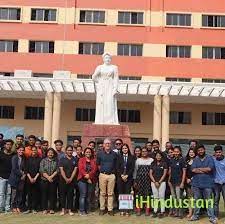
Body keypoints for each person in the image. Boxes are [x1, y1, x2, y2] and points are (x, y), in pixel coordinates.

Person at [190, 145, 217, 224]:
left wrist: (199, 169)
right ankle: (195, 216)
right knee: (197, 201)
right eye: (198, 151)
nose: (200, 152)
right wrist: (204, 170)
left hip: (208, 184)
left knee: (209, 201)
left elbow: (210, 168)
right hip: (196, 184)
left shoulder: (209, 158)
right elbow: (193, 169)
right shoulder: (196, 159)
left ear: (204, 150)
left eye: (201, 150)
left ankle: (212, 217)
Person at [92, 52, 119, 124]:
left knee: (109, 103)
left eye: (109, 58)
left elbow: (116, 78)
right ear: (103, 59)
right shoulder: (100, 67)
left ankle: (110, 121)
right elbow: (94, 77)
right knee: (101, 102)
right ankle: (100, 120)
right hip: (102, 87)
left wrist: (115, 89)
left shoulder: (114, 67)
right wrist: (99, 82)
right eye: (106, 58)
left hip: (110, 86)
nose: (108, 59)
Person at [97, 138, 117, 216]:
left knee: (110, 193)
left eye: (109, 143)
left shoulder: (114, 154)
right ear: (104, 145)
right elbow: (98, 165)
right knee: (102, 193)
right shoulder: (100, 154)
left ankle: (110, 209)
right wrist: (103, 171)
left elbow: (116, 165)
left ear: (111, 144)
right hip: (102, 175)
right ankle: (102, 209)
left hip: (111, 175)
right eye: (106, 143)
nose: (108, 145)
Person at [133, 147, 154, 216]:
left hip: (148, 180)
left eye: (145, 151)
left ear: (148, 152)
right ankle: (139, 210)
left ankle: (147, 210)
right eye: (143, 151)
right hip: (139, 180)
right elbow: (135, 171)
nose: (144, 153)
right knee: (139, 196)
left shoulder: (151, 160)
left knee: (147, 195)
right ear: (141, 152)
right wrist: (135, 181)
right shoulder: (138, 160)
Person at [77, 147, 98, 216]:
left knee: (88, 196)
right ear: (84, 153)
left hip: (91, 179)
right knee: (83, 195)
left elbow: (94, 170)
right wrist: (87, 177)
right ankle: (82, 210)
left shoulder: (93, 160)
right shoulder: (81, 159)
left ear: (91, 153)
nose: (88, 153)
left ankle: (87, 210)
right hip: (82, 179)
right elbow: (81, 169)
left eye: (89, 152)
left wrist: (89, 176)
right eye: (86, 152)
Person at [116, 144, 135, 216]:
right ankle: (122, 210)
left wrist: (127, 175)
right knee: (121, 194)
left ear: (128, 149)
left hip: (128, 178)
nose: (125, 149)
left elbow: (132, 168)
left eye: (126, 148)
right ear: (121, 150)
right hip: (120, 178)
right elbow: (117, 168)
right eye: (123, 148)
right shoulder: (118, 157)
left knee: (127, 194)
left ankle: (127, 210)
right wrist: (121, 175)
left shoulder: (132, 157)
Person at [168, 145, 186, 218]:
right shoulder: (171, 160)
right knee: (174, 198)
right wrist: (169, 180)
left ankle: (180, 213)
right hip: (172, 181)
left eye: (177, 152)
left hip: (179, 182)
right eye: (175, 152)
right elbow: (170, 171)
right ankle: (176, 212)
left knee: (179, 198)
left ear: (180, 152)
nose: (176, 153)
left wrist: (182, 182)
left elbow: (184, 172)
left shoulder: (182, 160)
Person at [59, 145, 78, 216]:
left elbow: (75, 170)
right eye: (68, 150)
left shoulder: (75, 159)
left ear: (72, 151)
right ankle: (63, 210)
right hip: (62, 180)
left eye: (71, 150)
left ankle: (70, 210)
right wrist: (66, 178)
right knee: (62, 195)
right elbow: (61, 170)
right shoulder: (62, 159)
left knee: (70, 195)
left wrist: (70, 179)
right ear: (66, 151)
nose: (69, 151)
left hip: (72, 181)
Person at [39, 148, 58, 214]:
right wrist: (48, 177)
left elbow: (57, 170)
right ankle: (44, 209)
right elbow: (41, 170)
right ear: (47, 153)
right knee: (44, 195)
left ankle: (51, 209)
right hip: (44, 180)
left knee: (52, 195)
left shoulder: (56, 161)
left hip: (53, 180)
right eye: (49, 152)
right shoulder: (43, 161)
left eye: (52, 152)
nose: (50, 154)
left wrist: (51, 177)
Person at [150, 151, 168, 218]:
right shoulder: (152, 163)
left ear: (161, 156)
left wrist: (159, 182)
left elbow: (164, 174)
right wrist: (155, 182)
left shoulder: (164, 164)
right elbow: (150, 173)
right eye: (157, 155)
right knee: (155, 197)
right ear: (155, 156)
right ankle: (155, 211)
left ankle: (162, 211)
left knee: (161, 197)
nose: (158, 157)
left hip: (162, 182)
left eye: (159, 156)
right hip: (153, 182)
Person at [24, 146, 42, 214]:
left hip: (36, 179)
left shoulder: (39, 159)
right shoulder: (28, 159)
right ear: (31, 151)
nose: (34, 151)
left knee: (35, 194)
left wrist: (35, 178)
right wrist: (30, 178)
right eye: (33, 150)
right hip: (29, 179)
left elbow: (40, 170)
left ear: (37, 151)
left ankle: (34, 208)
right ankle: (29, 208)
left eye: (35, 150)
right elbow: (26, 170)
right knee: (29, 194)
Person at [8, 145, 26, 213]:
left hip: (22, 179)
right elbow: (14, 169)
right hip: (15, 178)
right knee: (14, 194)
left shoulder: (24, 158)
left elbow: (25, 168)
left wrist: (24, 175)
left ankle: (18, 206)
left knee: (20, 194)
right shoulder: (14, 158)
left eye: (22, 150)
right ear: (17, 150)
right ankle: (13, 207)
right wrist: (22, 174)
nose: (21, 151)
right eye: (20, 150)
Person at [0, 139, 14, 213]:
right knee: (1, 193)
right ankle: (1, 208)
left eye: (10, 144)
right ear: (4, 145)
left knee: (8, 194)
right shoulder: (0, 153)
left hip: (10, 177)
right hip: (1, 177)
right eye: (7, 144)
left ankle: (7, 208)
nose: (9, 146)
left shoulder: (13, 154)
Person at [213, 145, 225, 219]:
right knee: (216, 200)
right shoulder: (213, 160)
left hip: (224, 183)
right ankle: (216, 216)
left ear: (222, 152)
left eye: (219, 152)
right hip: (216, 184)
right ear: (214, 153)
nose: (218, 154)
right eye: (216, 152)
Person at [185, 148, 196, 218]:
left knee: (195, 198)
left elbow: (197, 171)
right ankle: (190, 212)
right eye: (190, 152)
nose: (191, 153)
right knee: (189, 198)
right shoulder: (186, 161)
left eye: (192, 152)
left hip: (195, 182)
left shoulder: (197, 161)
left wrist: (192, 178)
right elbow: (183, 171)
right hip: (187, 182)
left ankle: (195, 213)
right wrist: (186, 178)